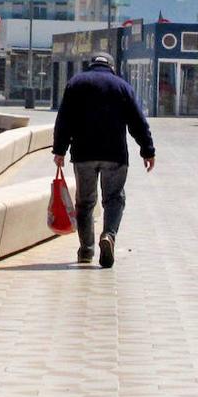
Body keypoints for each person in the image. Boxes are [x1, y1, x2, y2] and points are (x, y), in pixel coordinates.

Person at [52, 52, 155, 268]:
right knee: (114, 198)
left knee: (85, 203)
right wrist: (147, 150)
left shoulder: (76, 84)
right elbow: (138, 121)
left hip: (83, 155)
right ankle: (108, 235)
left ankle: (86, 250)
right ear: (111, 67)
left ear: (91, 65)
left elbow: (64, 120)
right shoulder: (122, 86)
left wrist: (60, 150)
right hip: (115, 155)